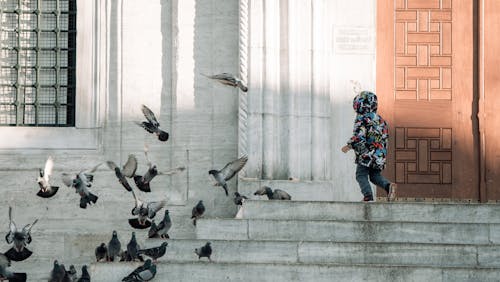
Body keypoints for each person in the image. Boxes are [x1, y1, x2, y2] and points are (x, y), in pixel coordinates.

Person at [341, 91, 396, 202]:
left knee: (360, 175)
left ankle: (368, 196)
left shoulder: (361, 118)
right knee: (374, 176)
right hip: (378, 154)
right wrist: (382, 155)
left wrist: (349, 145)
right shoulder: (381, 120)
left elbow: (358, 135)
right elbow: (385, 137)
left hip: (366, 154)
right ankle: (388, 186)